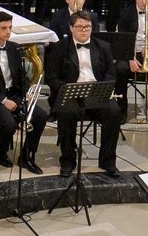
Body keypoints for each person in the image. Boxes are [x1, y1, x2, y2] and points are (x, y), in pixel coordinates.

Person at [46, 13, 124, 176]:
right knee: (66, 113)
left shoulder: (103, 46)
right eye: (79, 27)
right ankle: (68, 160)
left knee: (114, 112)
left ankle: (107, 161)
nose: (84, 30)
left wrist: (104, 88)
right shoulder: (60, 47)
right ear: (71, 28)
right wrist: (66, 89)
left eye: (87, 27)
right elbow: (52, 77)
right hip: (71, 93)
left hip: (97, 93)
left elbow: (111, 73)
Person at [0, 11, 50, 171]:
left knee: (40, 116)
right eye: (3, 28)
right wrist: (3, 101)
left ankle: (26, 155)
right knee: (9, 123)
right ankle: (0, 150)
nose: (8, 31)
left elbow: (21, 76)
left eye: (10, 27)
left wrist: (26, 92)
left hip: (14, 94)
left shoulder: (14, 48)